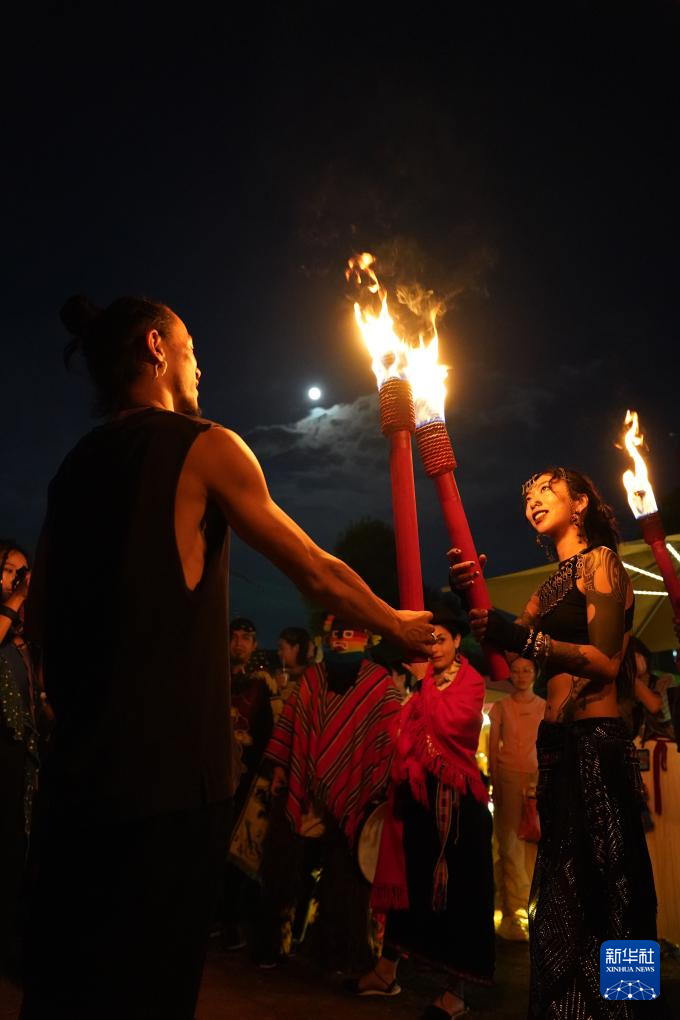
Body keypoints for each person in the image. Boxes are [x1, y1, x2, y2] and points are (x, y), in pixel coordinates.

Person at [19, 293, 434, 1020]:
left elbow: (40, 618)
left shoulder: (72, 466)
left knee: (67, 990)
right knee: (148, 991)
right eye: (191, 348)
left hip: (75, 784)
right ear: (157, 347)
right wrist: (394, 623)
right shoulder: (205, 445)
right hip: (170, 786)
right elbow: (314, 571)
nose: (200, 366)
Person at [451, 466, 661, 1018]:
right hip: (557, 746)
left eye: (547, 488)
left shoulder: (602, 562)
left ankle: (630, 1005)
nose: (533, 499)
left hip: (597, 742)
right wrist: (472, 597)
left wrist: (521, 636)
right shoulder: (548, 587)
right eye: (528, 494)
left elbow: (606, 660)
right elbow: (512, 656)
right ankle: (566, 1010)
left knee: (615, 887)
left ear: (581, 503)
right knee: (563, 893)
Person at [348, 611, 495, 1019]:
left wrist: (421, 689)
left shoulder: (472, 683)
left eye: (441, 639)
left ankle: (456, 992)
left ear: (458, 641)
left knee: (460, 894)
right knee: (409, 880)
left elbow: (450, 727)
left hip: (458, 807)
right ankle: (386, 971)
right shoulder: (425, 682)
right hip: (418, 798)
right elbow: (405, 732)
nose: (434, 648)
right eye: (429, 641)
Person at [258, 616, 402, 973]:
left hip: (356, 796)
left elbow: (390, 739)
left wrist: (379, 788)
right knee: (283, 868)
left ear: (365, 640)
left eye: (349, 635)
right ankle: (274, 941)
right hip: (304, 791)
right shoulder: (313, 677)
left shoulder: (379, 685)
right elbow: (291, 723)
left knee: (344, 880)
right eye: (336, 635)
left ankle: (336, 951)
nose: (340, 642)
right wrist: (281, 767)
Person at [0, 542, 39, 982]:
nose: (17, 579)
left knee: (15, 855)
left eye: (23, 573)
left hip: (18, 761)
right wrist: (17, 598)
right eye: (9, 570)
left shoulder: (20, 638)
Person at [488, 656, 545, 942]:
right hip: (508, 777)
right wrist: (495, 782)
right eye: (516, 670)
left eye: (527, 670)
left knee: (535, 844)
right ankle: (514, 912)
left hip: (537, 780)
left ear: (535, 673)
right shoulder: (501, 707)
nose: (521, 675)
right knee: (509, 844)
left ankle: (534, 909)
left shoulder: (544, 707)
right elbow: (492, 748)